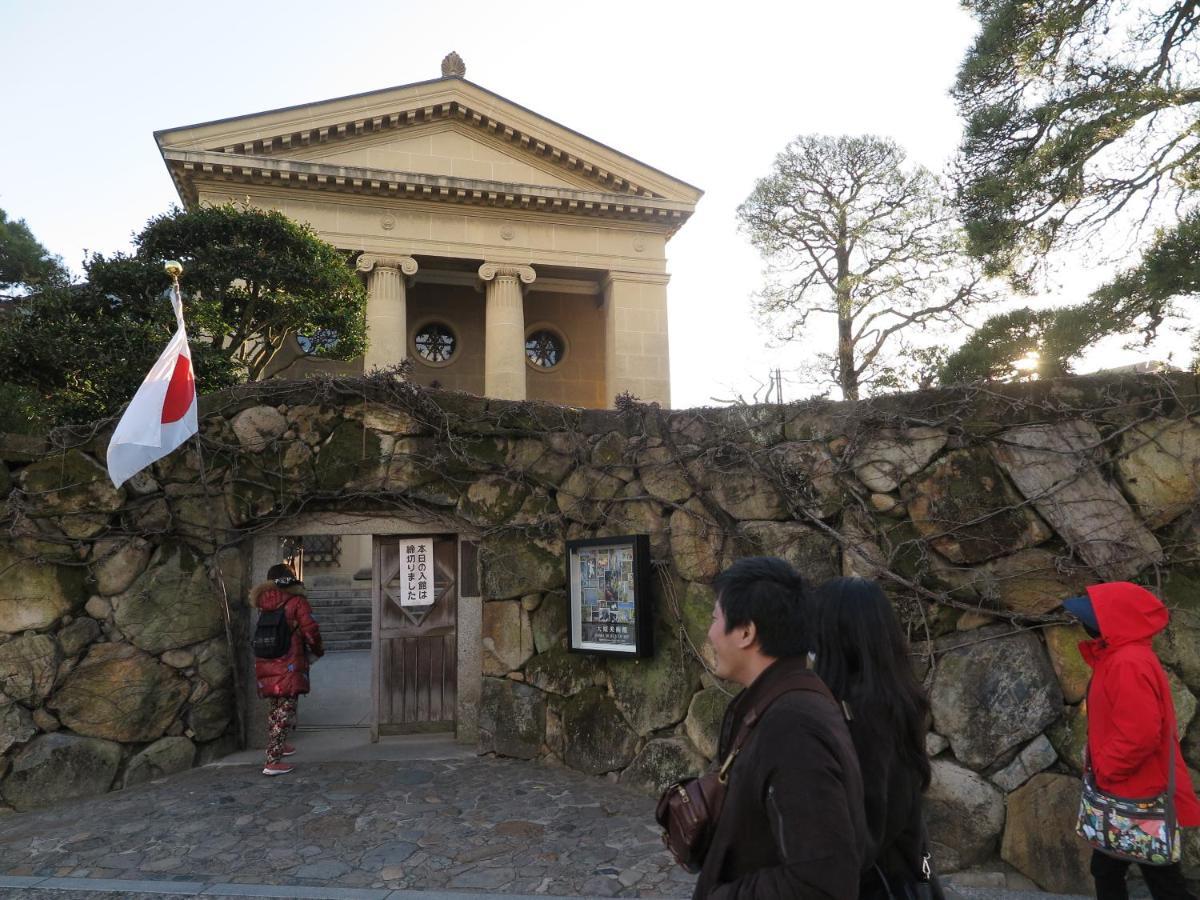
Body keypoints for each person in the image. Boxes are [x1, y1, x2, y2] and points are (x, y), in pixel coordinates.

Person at [694, 556, 867, 899]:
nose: (711, 632)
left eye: (715, 618)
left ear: (746, 632)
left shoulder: (794, 727)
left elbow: (821, 882)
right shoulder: (781, 701)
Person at [1065, 582, 1200, 900]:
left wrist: (1106, 768)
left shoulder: (1127, 663)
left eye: (1091, 616)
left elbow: (1139, 734)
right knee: (1118, 868)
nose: (1083, 622)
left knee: (1155, 877)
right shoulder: (1121, 657)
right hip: (1130, 786)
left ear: (1113, 622)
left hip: (1134, 789)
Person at [814, 577, 937, 899]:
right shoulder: (897, 696)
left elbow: (865, 832)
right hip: (906, 867)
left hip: (876, 883)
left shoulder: (860, 715)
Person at [251, 563, 323, 777]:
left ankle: (278, 746)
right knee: (285, 709)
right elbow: (310, 630)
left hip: (266, 658)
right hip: (289, 659)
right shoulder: (296, 602)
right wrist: (318, 650)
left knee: (275, 706)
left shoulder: (263, 602)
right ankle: (272, 761)